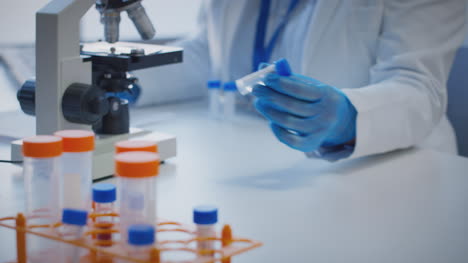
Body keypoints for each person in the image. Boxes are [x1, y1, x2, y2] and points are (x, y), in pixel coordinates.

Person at [135, 0, 466, 161]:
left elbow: (417, 85)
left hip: (394, 170)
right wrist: (117, 81)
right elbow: (209, 53)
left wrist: (350, 116)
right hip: (256, 157)